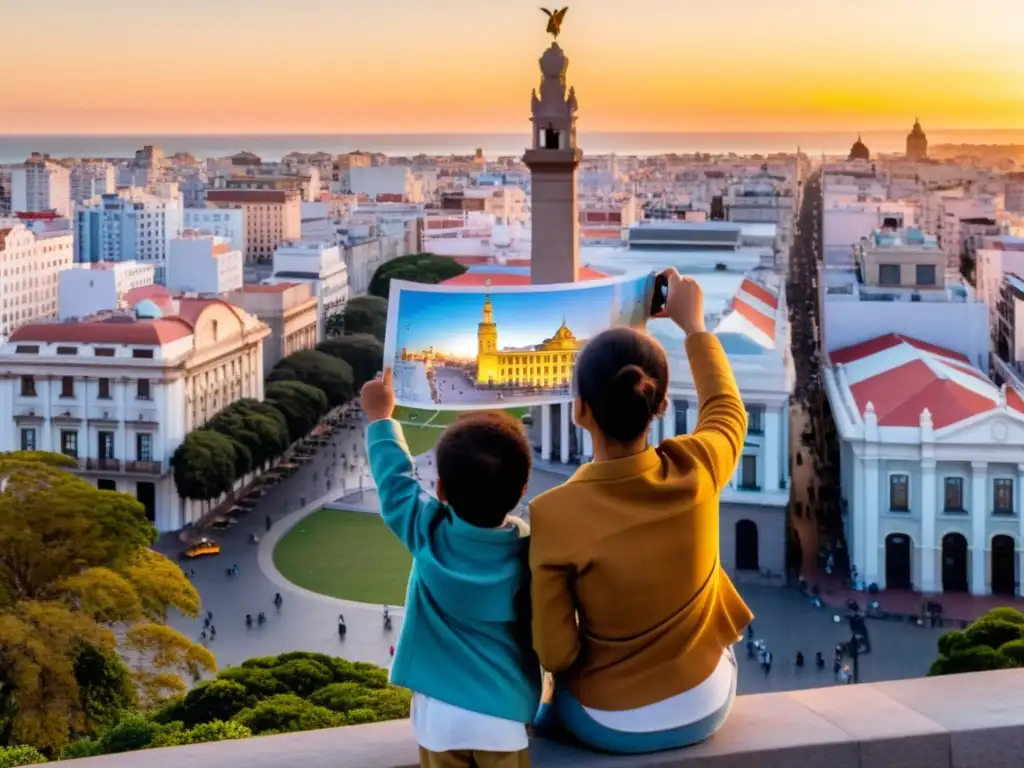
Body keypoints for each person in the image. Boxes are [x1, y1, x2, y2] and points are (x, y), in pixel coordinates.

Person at [530, 270, 753, 755]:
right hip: (707, 703)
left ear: (580, 410)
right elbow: (728, 410)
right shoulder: (697, 467)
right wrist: (694, 327)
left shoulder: (554, 514)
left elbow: (555, 652)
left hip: (608, 722)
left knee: (548, 709)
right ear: (659, 403)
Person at [361, 370, 540, 768]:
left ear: (440, 490)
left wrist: (381, 417)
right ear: (523, 488)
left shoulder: (427, 532)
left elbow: (396, 483)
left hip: (438, 718)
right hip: (504, 714)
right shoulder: (531, 550)